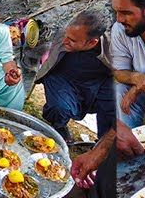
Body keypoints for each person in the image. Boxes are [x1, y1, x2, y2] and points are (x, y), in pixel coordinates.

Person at [33, 11, 128, 197]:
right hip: (63, 79)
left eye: (73, 40)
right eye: (66, 36)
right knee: (59, 107)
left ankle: (103, 152)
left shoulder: (113, 49)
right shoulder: (68, 33)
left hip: (98, 83)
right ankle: (59, 125)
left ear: (91, 42)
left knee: (112, 110)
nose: (65, 41)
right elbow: (46, 59)